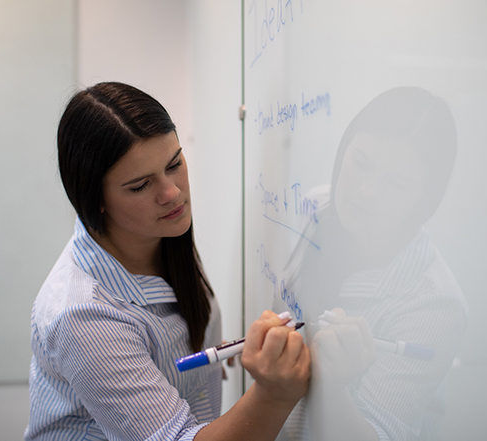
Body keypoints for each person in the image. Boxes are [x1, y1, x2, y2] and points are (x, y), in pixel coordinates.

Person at [25, 82, 311, 441]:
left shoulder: (160, 235)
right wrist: (273, 392)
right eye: (140, 186)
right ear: (94, 198)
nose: (172, 192)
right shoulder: (81, 313)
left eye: (174, 164)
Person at [276, 87, 468, 440]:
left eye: (397, 183)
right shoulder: (318, 207)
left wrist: (334, 386)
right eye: (361, 162)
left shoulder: (436, 303)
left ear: (425, 199)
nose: (367, 191)